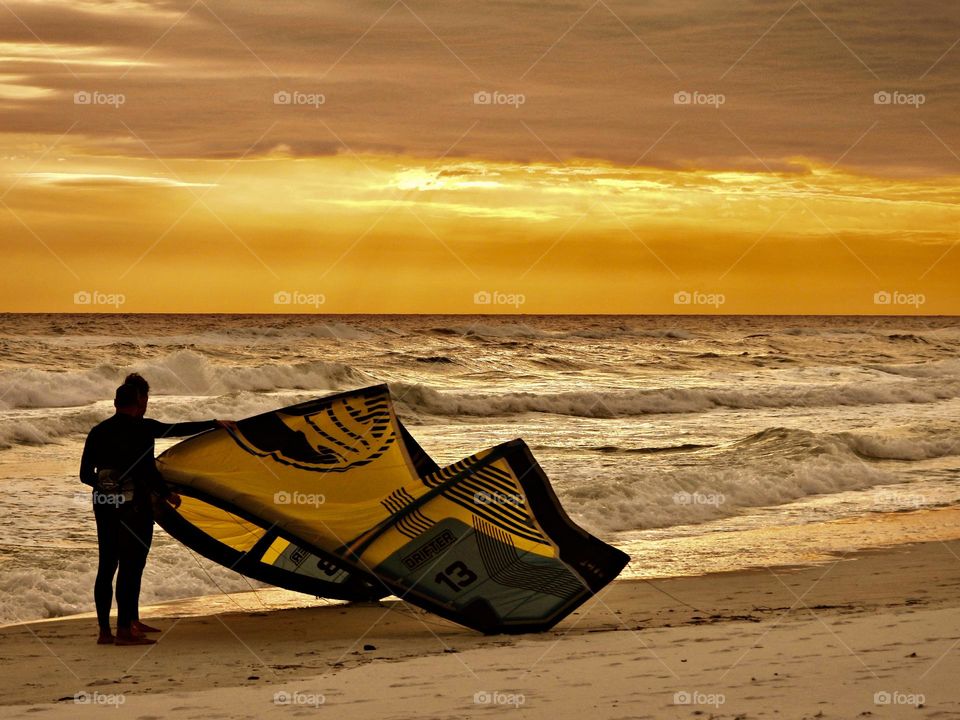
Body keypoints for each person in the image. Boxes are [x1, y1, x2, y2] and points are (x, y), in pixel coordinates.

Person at [79, 379, 233, 646]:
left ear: (115, 404)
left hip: (103, 503)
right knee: (130, 565)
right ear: (141, 403)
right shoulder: (142, 429)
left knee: (107, 565)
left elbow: (84, 475)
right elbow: (152, 461)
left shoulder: (97, 432)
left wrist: (107, 485)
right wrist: (214, 423)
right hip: (134, 506)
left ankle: (105, 632)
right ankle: (125, 631)